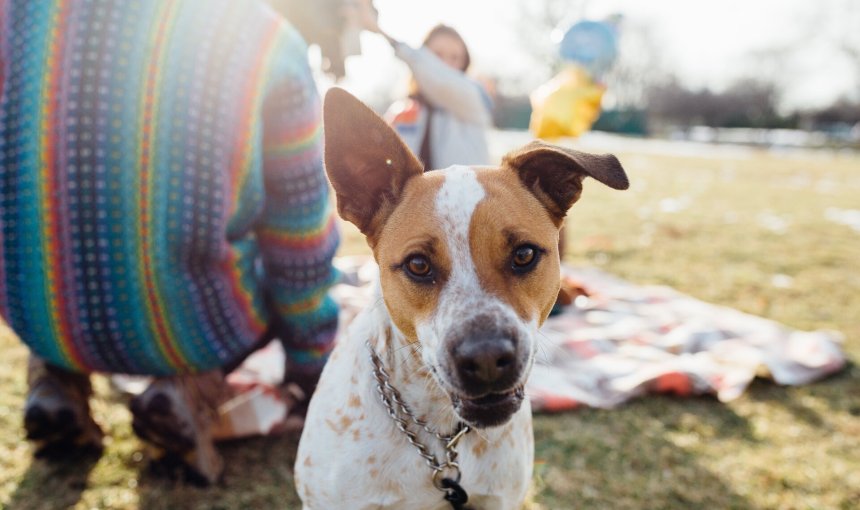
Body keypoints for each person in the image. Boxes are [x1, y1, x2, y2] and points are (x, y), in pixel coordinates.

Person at [0, 0, 344, 483]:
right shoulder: (261, 37)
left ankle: (54, 386)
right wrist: (312, 359)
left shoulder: (16, 17)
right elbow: (298, 234)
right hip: (188, 324)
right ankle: (185, 390)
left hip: (41, 314)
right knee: (257, 276)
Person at [362, 13, 493, 169]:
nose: (444, 65)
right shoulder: (402, 110)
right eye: (437, 56)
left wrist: (382, 33)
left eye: (455, 57)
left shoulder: (473, 98)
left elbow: (440, 80)